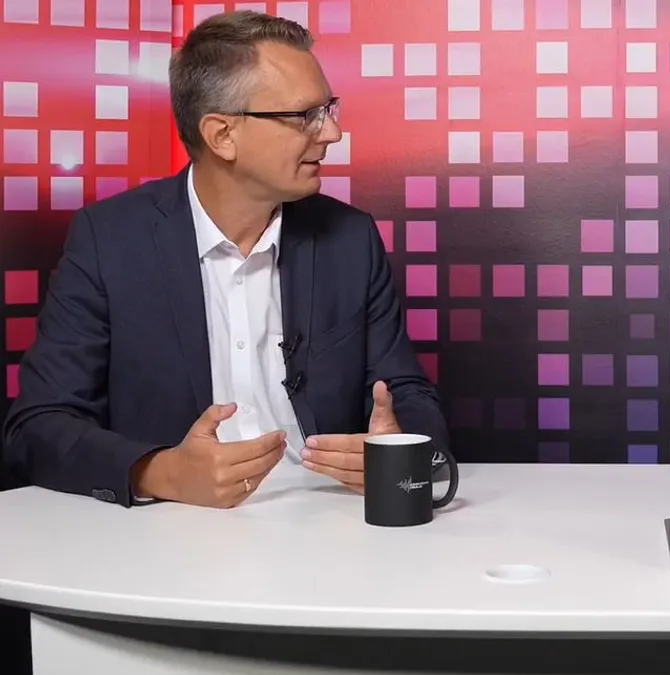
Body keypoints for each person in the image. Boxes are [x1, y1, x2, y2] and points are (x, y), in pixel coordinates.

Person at [1, 10, 448, 508]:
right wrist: (158, 472)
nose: (332, 133)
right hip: (170, 526)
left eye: (328, 109)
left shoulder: (349, 239)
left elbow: (406, 394)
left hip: (328, 516)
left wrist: (400, 450)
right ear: (222, 135)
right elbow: (38, 425)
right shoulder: (109, 241)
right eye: (305, 116)